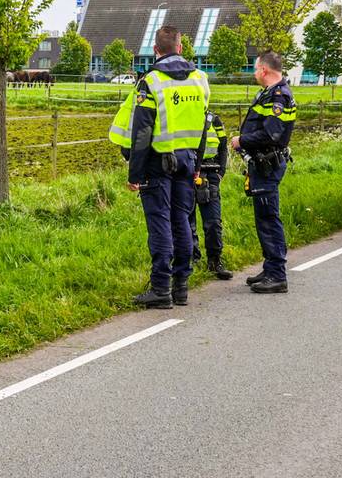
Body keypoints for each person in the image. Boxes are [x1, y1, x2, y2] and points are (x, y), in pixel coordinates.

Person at [120, 26, 210, 309]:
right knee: (182, 221)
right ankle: (181, 286)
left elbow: (142, 132)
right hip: (187, 161)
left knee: (160, 223)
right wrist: (198, 164)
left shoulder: (151, 81)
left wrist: (135, 173)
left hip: (157, 165)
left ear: (155, 50)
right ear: (181, 48)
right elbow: (204, 126)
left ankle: (161, 288)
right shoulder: (200, 80)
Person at [230, 51, 297, 294]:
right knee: (263, 218)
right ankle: (270, 268)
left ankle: (277, 275)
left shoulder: (278, 97)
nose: (254, 73)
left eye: (256, 69)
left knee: (269, 218)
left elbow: (271, 134)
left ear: (264, 71)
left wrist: (241, 140)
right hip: (262, 164)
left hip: (268, 164)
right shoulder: (271, 93)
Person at [189, 111, 233, 280]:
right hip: (188, 174)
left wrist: (221, 172)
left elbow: (223, 147)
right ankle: (192, 259)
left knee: (213, 222)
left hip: (211, 174)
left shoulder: (214, 120)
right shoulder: (186, 116)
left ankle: (215, 261)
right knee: (187, 222)